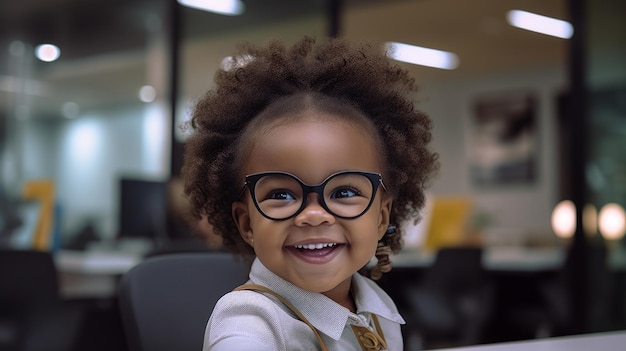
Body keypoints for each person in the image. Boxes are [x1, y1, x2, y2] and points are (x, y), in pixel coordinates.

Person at [182, 36, 438, 351]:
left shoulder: (377, 307)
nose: (314, 214)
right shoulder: (248, 321)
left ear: (382, 217)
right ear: (247, 223)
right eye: (282, 195)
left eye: (344, 191)